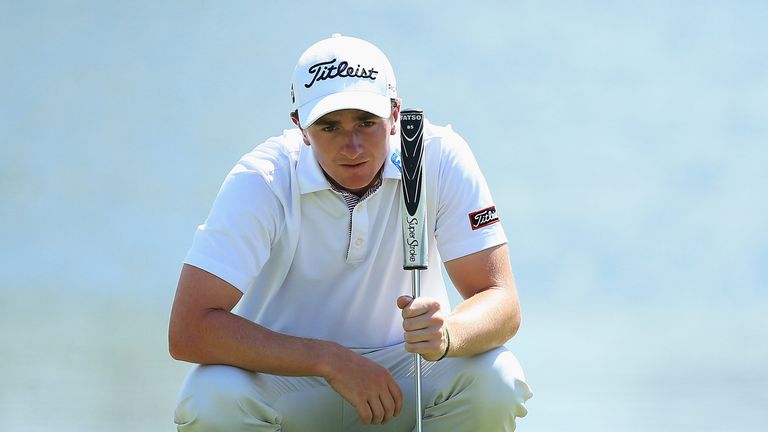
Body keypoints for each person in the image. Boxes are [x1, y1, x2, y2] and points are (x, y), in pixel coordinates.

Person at [168, 33, 532, 431]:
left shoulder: (438, 156)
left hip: (408, 371)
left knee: (497, 378)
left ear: (395, 115)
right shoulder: (263, 179)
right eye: (329, 127)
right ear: (300, 127)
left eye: (366, 122)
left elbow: (501, 301)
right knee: (209, 394)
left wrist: (448, 334)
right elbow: (190, 328)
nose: (353, 146)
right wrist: (329, 360)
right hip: (289, 383)